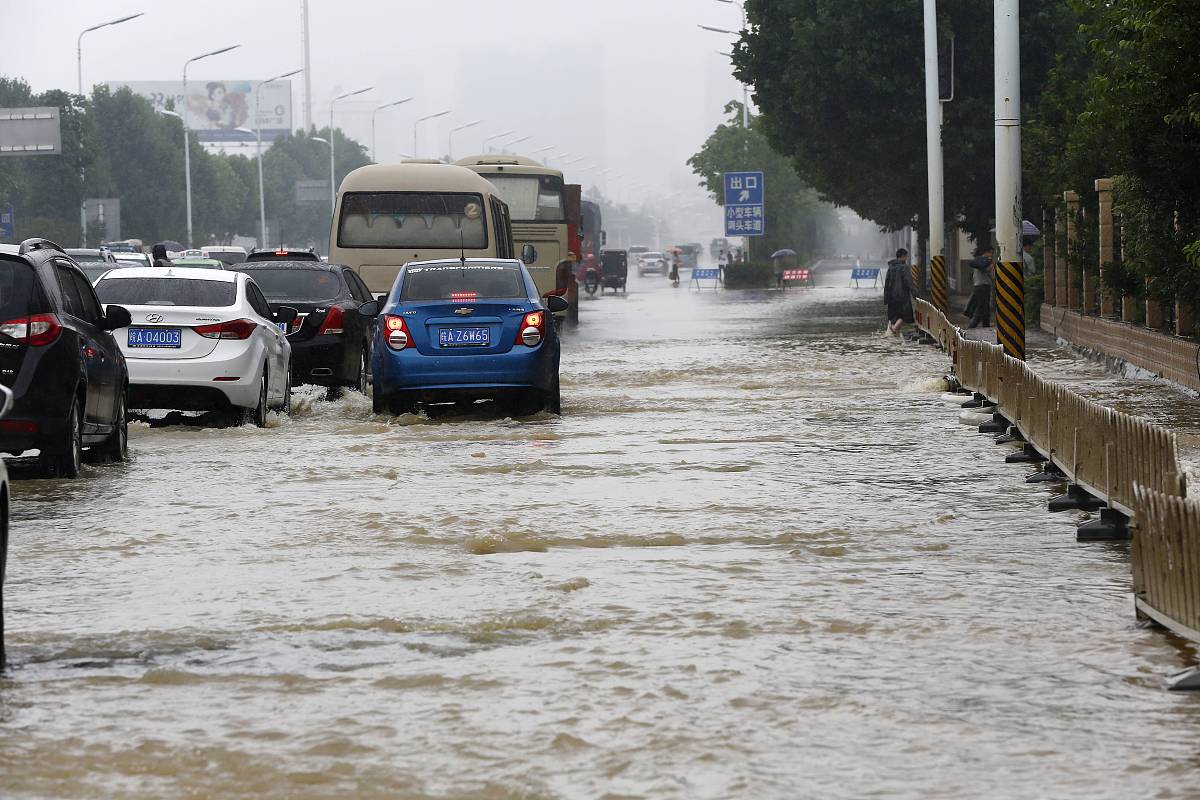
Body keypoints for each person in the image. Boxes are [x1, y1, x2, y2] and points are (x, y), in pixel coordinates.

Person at [883, 248, 914, 334]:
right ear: (903, 256)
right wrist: (916, 294)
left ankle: (894, 333)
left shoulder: (891, 267)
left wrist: (886, 298)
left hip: (891, 298)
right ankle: (894, 330)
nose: (906, 258)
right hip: (902, 297)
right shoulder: (905, 267)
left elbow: (886, 283)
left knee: (894, 318)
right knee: (903, 316)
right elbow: (909, 282)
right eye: (906, 256)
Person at [967, 245, 994, 328]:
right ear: (987, 252)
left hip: (978, 285)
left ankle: (984, 324)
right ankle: (974, 324)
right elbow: (987, 270)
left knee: (982, 306)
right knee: (983, 306)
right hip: (983, 285)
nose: (992, 254)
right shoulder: (985, 261)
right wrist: (991, 266)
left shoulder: (978, 261)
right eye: (991, 252)